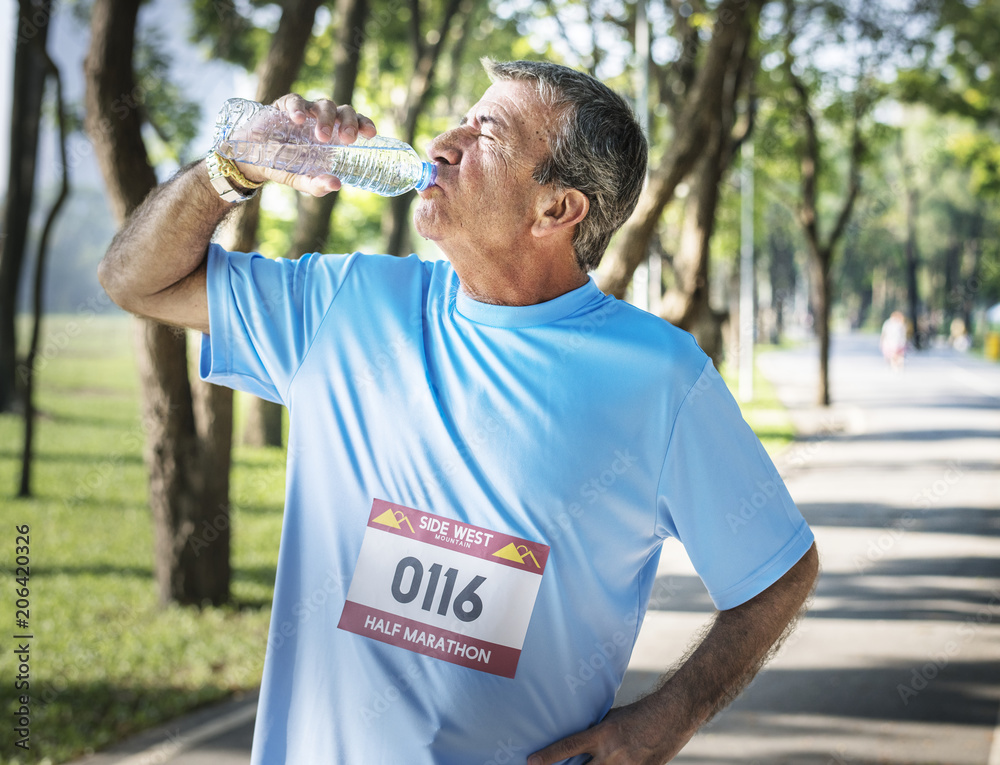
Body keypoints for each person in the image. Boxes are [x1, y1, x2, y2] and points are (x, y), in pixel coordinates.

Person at [98, 59, 818, 765]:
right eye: (465, 119)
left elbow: (778, 571)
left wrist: (664, 720)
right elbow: (134, 279)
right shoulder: (344, 303)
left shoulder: (661, 378)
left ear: (557, 208)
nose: (445, 142)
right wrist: (232, 169)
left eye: (489, 135)